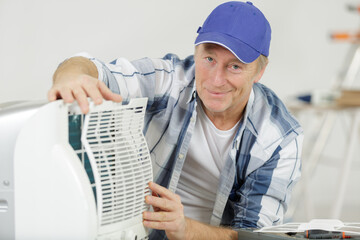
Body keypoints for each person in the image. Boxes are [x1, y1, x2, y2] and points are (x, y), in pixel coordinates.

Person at [48, 1, 303, 239]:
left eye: (234, 66)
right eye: (209, 59)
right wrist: (71, 76)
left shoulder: (279, 139)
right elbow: (92, 68)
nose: (215, 80)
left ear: (259, 71)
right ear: (196, 51)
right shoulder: (171, 80)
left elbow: (252, 236)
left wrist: (186, 229)